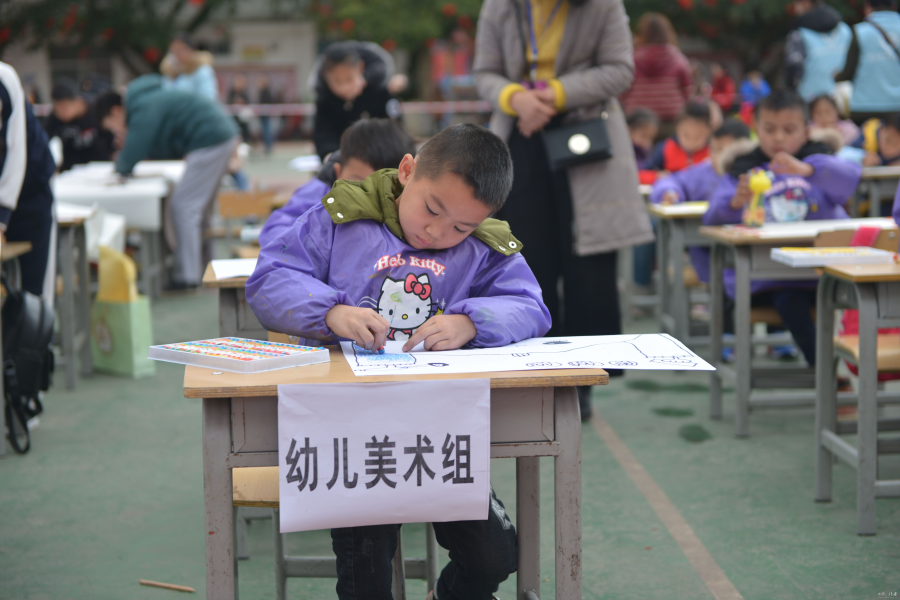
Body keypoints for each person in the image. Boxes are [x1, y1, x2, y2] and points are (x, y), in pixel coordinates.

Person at [246, 124, 546, 600]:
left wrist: (472, 321)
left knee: (496, 555)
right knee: (366, 580)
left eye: (461, 227)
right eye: (432, 209)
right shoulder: (340, 219)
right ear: (407, 171)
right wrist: (332, 311)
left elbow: (530, 305)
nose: (437, 231)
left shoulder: (485, 247)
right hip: (350, 433)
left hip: (442, 431)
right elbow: (270, 279)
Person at [473, 0, 654, 419]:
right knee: (526, 259)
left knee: (588, 262)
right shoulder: (499, 6)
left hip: (588, 137)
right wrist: (515, 97)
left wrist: (553, 93)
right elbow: (484, 71)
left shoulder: (603, 6)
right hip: (519, 135)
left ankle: (585, 378)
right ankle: (533, 372)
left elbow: (619, 70)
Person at [703, 90, 861, 366]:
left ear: (806, 130)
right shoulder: (743, 169)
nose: (778, 138)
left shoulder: (818, 160)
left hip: (824, 273)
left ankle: (850, 368)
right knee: (790, 299)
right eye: (769, 129)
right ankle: (827, 372)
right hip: (769, 278)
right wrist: (736, 201)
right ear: (756, 131)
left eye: (789, 130)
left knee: (854, 299)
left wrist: (808, 170)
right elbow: (712, 217)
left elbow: (850, 180)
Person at [94, 75, 239, 290]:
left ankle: (188, 277)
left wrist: (121, 165)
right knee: (199, 210)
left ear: (116, 111)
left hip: (210, 140)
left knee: (184, 206)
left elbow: (136, 147)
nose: (117, 131)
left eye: (112, 126)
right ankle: (206, 269)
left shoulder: (141, 107)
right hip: (216, 136)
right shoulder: (145, 100)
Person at [259, 118, 415, 247]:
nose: (369, 194)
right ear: (338, 173)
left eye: (382, 186)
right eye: (358, 182)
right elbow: (275, 233)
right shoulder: (321, 194)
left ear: (404, 179)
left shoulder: (412, 209)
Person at [651, 120, 751, 284]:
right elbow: (672, 180)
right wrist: (669, 192)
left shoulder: (755, 172)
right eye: (714, 149)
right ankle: (713, 289)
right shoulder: (702, 172)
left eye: (724, 150)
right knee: (698, 241)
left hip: (746, 246)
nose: (716, 157)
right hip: (707, 248)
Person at [0, 62, 57, 301]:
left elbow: (15, 154)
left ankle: (36, 336)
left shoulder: (4, 77)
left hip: (28, 191)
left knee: (33, 295)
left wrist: (1, 219)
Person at [311, 41, 403, 160]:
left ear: (360, 68)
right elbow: (323, 133)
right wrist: (329, 156)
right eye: (337, 81)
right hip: (342, 162)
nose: (344, 87)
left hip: (382, 160)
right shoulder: (325, 99)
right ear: (325, 76)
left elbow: (395, 128)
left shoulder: (380, 90)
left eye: (349, 79)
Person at [621, 12, 693, 133]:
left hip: (637, 122)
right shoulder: (677, 58)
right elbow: (688, 91)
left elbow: (622, 90)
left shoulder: (632, 59)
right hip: (671, 122)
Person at [836, 0, 900, 123]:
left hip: (865, 107)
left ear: (868, 7)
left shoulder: (859, 31)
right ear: (893, 6)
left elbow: (849, 71)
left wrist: (837, 76)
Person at [784, 0, 852, 101]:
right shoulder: (845, 30)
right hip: (843, 98)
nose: (796, 9)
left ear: (805, 2)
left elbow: (793, 70)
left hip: (810, 102)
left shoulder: (798, 34)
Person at [43, 80, 114, 172]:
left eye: (65, 107)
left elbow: (111, 134)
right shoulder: (55, 117)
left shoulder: (95, 110)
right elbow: (43, 139)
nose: (60, 113)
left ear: (78, 101)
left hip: (100, 167)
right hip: (71, 170)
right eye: (57, 108)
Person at [647, 101, 713, 173]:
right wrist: (658, 176)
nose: (692, 141)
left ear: (709, 132)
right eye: (686, 135)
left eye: (698, 136)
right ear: (677, 128)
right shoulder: (665, 148)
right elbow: (639, 174)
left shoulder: (713, 153)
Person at [160, 32, 218, 100]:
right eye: (174, 50)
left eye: (181, 49)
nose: (178, 53)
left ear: (191, 49)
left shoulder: (201, 70)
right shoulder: (169, 71)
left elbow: (208, 98)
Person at [256, 75, 276, 155]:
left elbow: (267, 103)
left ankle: (268, 147)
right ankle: (267, 146)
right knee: (265, 131)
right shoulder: (261, 92)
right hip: (262, 115)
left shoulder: (266, 92)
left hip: (266, 115)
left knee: (267, 131)